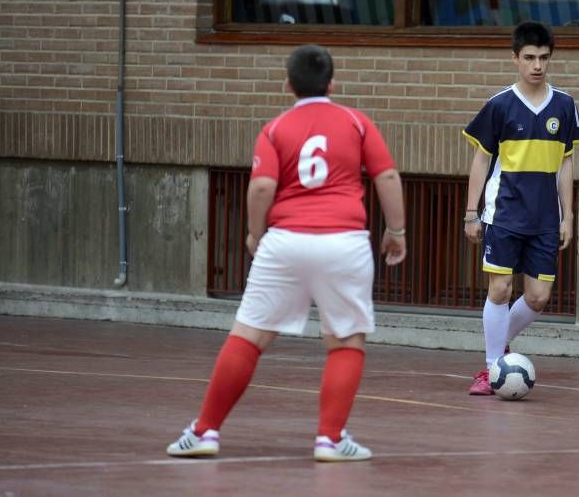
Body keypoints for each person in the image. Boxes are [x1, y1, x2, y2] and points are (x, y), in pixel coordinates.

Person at [167, 44, 406, 460]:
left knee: (250, 334)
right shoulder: (356, 121)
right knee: (346, 339)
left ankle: (205, 431)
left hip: (286, 240)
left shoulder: (275, 128)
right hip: (343, 241)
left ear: (287, 84)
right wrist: (396, 231)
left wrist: (253, 234)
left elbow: (261, 187)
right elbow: (385, 175)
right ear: (332, 83)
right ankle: (330, 439)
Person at [462, 21, 579, 395]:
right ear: (514, 58)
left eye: (544, 58)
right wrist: (471, 212)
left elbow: (566, 163)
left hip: (545, 218)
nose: (537, 65)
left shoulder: (564, 105)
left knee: (537, 298)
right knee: (499, 290)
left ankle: (498, 348)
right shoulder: (499, 105)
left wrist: (568, 214)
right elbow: (481, 161)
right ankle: (491, 367)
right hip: (504, 214)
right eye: (529, 57)